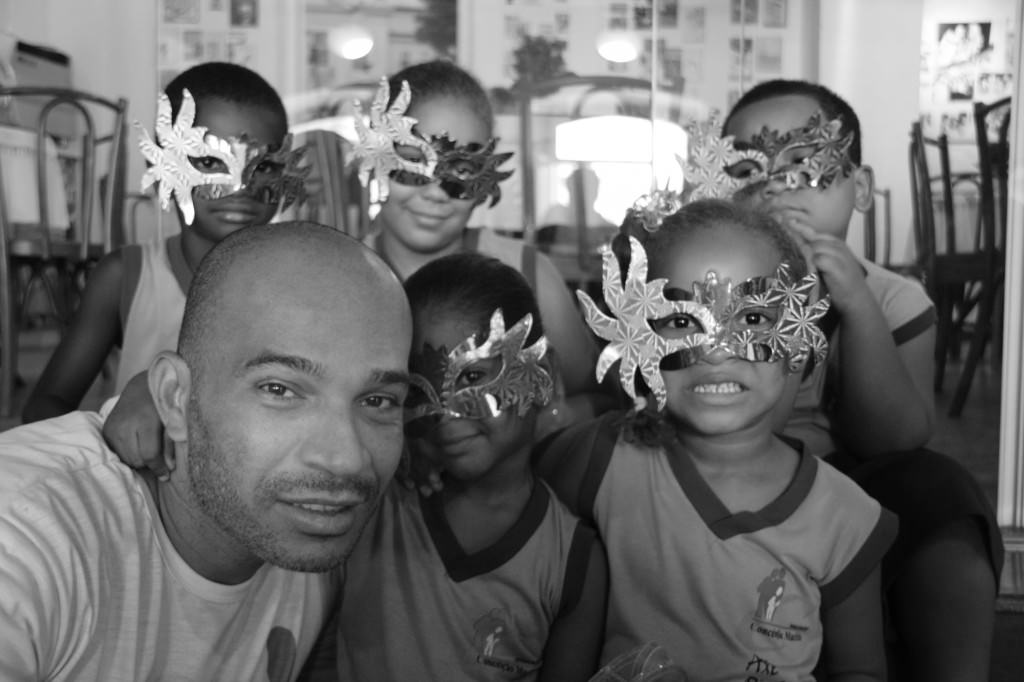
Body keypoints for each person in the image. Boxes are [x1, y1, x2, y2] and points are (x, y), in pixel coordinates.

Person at [0, 221, 412, 680]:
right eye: (279, 389)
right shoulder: (24, 535)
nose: (346, 459)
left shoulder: (335, 545)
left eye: (378, 401)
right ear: (174, 397)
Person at [535, 198, 896, 681]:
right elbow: (508, 499)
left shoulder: (845, 517)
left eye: (752, 319)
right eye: (682, 322)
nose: (716, 350)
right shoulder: (602, 460)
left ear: (798, 336)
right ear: (639, 332)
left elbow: (861, 671)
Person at [721, 79, 1003, 682]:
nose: (775, 187)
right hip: (728, 471)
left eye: (805, 164)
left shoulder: (895, 299)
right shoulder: (708, 296)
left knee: (940, 492)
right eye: (748, 170)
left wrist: (854, 305)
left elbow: (897, 437)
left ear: (862, 188)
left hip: (852, 477)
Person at [334, 252, 607, 681]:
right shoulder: (372, 503)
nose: (445, 414)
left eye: (474, 377)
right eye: (420, 389)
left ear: (543, 370)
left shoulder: (573, 564)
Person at [21, 61, 307, 423]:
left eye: (263, 166)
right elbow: (46, 404)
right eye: (209, 161)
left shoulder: (305, 283)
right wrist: (108, 428)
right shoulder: (124, 277)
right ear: (161, 167)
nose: (240, 186)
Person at [350, 59, 610, 433]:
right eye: (412, 163)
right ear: (375, 155)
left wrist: (545, 424)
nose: (435, 193)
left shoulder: (528, 272)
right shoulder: (341, 277)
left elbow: (600, 397)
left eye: (461, 170)